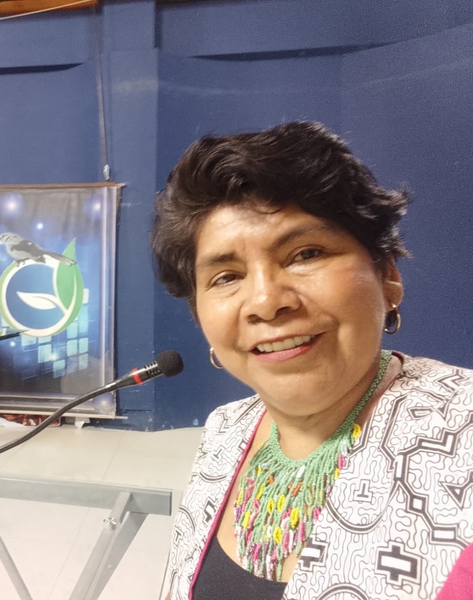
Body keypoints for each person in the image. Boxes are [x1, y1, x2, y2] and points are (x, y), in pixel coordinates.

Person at [151, 122, 473, 599]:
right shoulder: (224, 431)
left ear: (387, 275)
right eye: (226, 277)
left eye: (305, 253)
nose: (266, 302)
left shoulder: (463, 436)